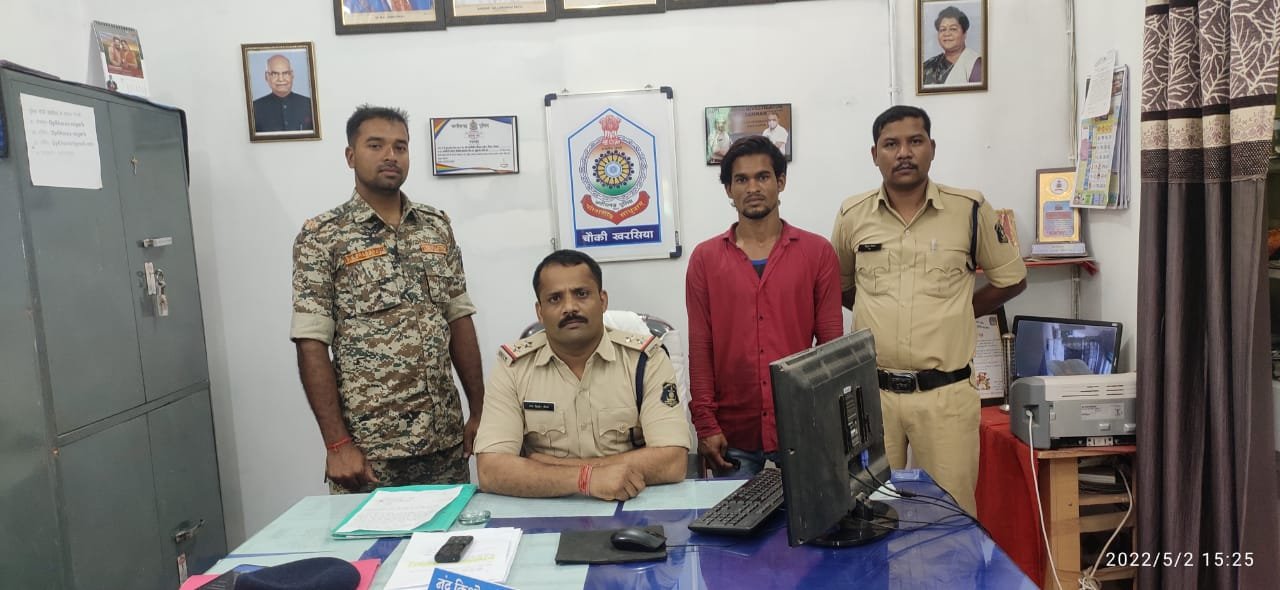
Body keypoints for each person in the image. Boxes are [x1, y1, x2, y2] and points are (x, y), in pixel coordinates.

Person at [830, 105, 1026, 515]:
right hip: (873, 396)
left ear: (932, 148)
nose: (904, 152)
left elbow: (1012, 279)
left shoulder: (969, 209)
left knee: (950, 515)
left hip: (945, 397)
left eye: (915, 141)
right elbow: (844, 288)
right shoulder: (852, 214)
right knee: (868, 512)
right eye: (891, 144)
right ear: (874, 154)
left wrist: (958, 312)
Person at [291, 105, 486, 493]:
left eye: (400, 146)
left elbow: (459, 320)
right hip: (369, 454)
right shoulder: (323, 237)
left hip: (444, 444)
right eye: (375, 145)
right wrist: (337, 445)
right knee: (369, 536)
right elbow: (311, 342)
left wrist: (480, 411)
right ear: (350, 156)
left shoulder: (436, 228)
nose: (390, 156)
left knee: (450, 532)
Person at [473, 250, 690, 501]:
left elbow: (673, 461)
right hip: (544, 510)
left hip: (634, 504)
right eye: (555, 298)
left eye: (581, 294)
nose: (570, 307)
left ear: (603, 300)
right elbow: (490, 470)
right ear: (540, 311)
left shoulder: (646, 360)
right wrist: (586, 479)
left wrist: (554, 467)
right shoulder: (513, 367)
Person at [687, 136, 843, 478]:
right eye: (741, 179)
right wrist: (705, 424)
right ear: (728, 189)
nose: (753, 188)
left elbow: (831, 349)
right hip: (732, 431)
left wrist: (828, 420)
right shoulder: (705, 259)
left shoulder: (817, 253)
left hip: (803, 425)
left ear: (781, 182)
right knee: (737, 514)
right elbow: (701, 348)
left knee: (811, 513)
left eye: (763, 177)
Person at [921, 6, 983, 86]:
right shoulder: (927, 66)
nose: (947, 34)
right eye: (942, 29)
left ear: (964, 34)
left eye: (953, 29)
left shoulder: (975, 64)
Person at [253, 55, 314, 133]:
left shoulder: (310, 104)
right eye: (275, 74)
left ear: (292, 75)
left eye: (285, 73)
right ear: (267, 76)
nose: (281, 79)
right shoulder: (254, 108)